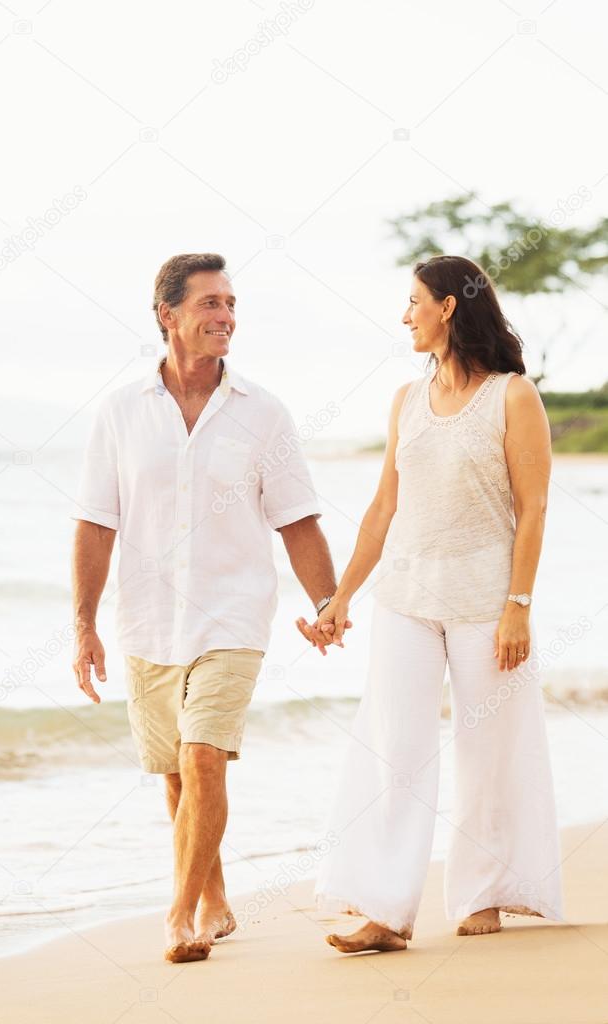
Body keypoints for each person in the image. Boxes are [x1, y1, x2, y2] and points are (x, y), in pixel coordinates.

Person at [71, 253, 339, 963]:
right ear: (167, 316)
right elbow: (96, 522)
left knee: (203, 758)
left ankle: (180, 913)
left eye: (230, 305)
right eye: (209, 305)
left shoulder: (263, 412)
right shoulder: (120, 413)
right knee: (175, 771)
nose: (225, 318)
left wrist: (328, 601)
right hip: (148, 618)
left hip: (233, 613)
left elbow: (297, 519)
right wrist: (83, 625)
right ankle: (215, 897)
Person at [297, 255, 564, 952]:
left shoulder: (511, 396)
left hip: (484, 602)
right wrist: (338, 598)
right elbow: (384, 507)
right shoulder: (404, 400)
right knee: (396, 750)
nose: (404, 315)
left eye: (413, 301)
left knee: (489, 750)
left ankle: (485, 892)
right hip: (405, 600)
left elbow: (532, 508)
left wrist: (518, 606)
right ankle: (385, 910)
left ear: (447, 307)